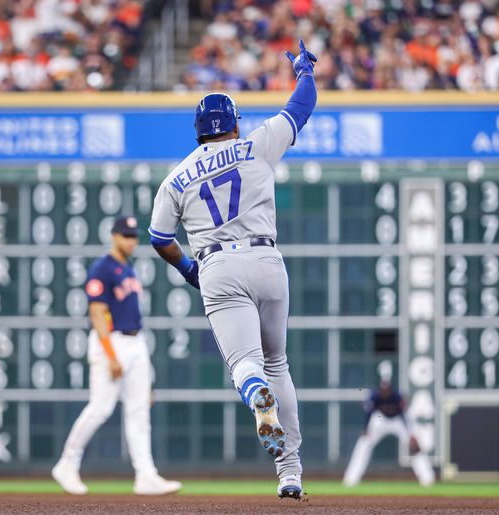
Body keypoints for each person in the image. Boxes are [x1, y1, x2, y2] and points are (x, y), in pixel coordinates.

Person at [148, 40, 318, 499]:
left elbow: (159, 238)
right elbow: (301, 106)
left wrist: (188, 270)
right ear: (235, 123)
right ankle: (291, 472)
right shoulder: (256, 145)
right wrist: (304, 71)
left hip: (218, 264)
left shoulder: (177, 177)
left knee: (246, 364)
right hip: (267, 258)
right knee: (278, 362)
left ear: (199, 131)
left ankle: (255, 390)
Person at [52, 215, 182, 496]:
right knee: (100, 408)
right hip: (110, 341)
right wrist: (111, 356)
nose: (131, 241)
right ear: (113, 236)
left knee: (139, 411)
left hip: (136, 342)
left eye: (134, 236)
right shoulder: (102, 268)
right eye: (126, 236)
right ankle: (67, 463)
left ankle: (146, 475)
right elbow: (97, 313)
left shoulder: (128, 269)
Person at [342, 377, 436, 487]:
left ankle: (428, 479)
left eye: (387, 389)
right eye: (383, 388)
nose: (385, 391)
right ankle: (350, 479)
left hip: (398, 421)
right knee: (363, 443)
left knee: (415, 447)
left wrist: (411, 434)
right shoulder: (374, 395)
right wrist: (366, 429)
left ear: (391, 389)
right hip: (380, 419)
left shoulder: (397, 396)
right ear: (380, 388)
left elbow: (406, 415)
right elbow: (368, 413)